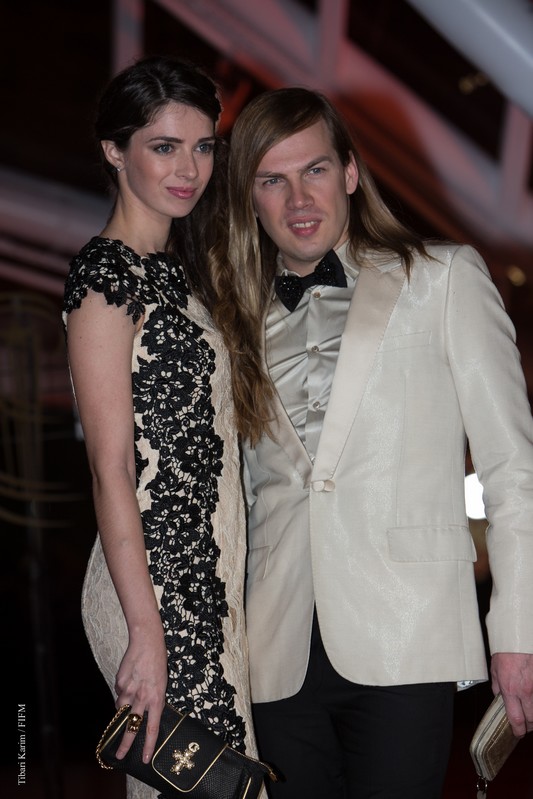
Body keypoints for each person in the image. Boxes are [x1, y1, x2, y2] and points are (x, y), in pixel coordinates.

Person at [227, 86, 533, 799]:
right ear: (249, 198)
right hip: (272, 651)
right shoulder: (232, 317)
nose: (298, 199)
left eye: (314, 170)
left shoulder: (444, 277)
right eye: (271, 179)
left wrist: (517, 633)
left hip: (407, 632)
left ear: (350, 173)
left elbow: (513, 470)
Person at [62, 55, 272, 799]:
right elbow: (111, 468)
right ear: (114, 151)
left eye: (202, 146)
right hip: (157, 596)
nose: (189, 169)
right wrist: (146, 634)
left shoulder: (178, 272)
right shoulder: (105, 278)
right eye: (163, 147)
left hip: (203, 583)